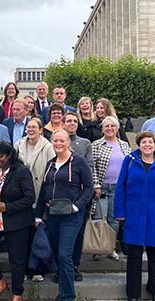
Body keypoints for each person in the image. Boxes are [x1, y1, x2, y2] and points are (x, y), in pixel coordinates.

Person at [35, 129, 93, 301]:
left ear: (68, 142)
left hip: (71, 216)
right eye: (55, 140)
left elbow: (89, 188)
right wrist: (38, 215)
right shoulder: (51, 163)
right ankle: (62, 293)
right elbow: (44, 188)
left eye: (62, 140)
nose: (58, 143)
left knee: (64, 255)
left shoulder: (78, 162)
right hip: (53, 215)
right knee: (58, 256)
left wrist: (77, 206)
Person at [114, 131, 155, 301]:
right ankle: (132, 293)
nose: (147, 145)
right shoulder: (130, 161)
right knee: (134, 255)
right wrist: (120, 211)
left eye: (150, 142)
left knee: (154, 255)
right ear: (139, 145)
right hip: (134, 214)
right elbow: (121, 187)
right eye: (144, 142)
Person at [0, 142, 35, 301]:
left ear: (9, 155)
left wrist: (9, 207)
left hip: (17, 221)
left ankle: (17, 293)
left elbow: (29, 198)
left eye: (0, 157)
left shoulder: (21, 171)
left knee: (17, 259)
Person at [14, 117, 55, 282]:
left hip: (41, 193)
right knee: (25, 234)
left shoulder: (48, 147)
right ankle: (25, 269)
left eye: (34, 127)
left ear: (40, 130)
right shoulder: (19, 145)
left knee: (40, 234)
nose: (30, 130)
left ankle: (39, 269)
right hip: (22, 194)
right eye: (28, 127)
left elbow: (52, 170)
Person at [91, 116, 131, 260]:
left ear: (117, 128)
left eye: (112, 126)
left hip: (119, 189)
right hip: (101, 188)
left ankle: (110, 248)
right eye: (106, 126)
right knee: (100, 217)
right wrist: (96, 184)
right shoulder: (96, 145)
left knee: (114, 219)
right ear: (102, 129)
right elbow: (92, 167)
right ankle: (98, 247)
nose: (110, 129)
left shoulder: (124, 145)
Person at [63, 111, 93, 281]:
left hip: (80, 194)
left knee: (78, 232)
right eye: (69, 121)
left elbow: (89, 166)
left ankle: (74, 265)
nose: (72, 123)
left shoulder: (85, 143)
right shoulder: (57, 141)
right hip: (61, 195)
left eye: (75, 121)